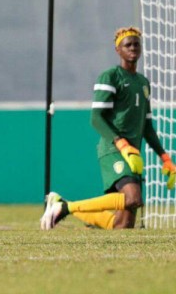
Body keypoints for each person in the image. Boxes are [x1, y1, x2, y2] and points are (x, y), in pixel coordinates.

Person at [41, 26, 176, 230]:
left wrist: (164, 157)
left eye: (136, 44)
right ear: (118, 50)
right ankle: (65, 208)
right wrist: (121, 144)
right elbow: (96, 118)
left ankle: (63, 204)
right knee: (133, 198)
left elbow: (147, 126)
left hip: (134, 154)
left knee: (122, 226)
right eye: (127, 45)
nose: (133, 48)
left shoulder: (143, 83)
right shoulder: (110, 76)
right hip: (114, 150)